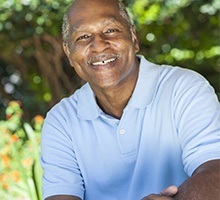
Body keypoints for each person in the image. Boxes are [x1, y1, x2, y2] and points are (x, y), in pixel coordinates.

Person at [40, 0, 220, 199]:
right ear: (69, 52)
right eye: (83, 36)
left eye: (110, 30)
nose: (98, 45)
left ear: (134, 38)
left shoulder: (184, 88)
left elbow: (215, 171)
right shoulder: (61, 120)